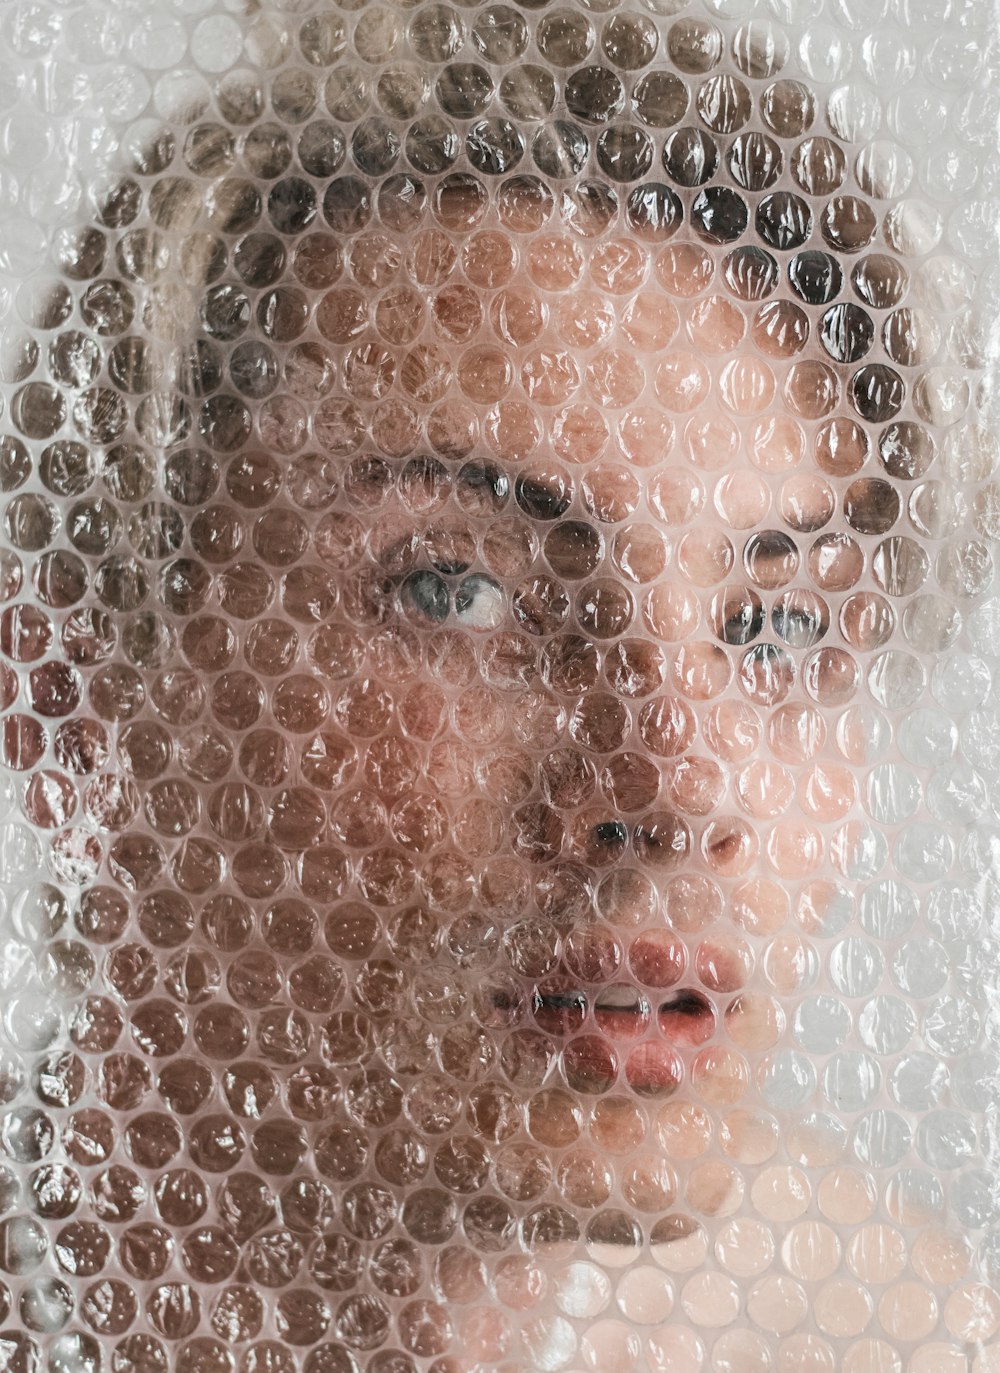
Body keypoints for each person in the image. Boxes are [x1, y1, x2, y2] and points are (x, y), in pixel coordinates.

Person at [1, 6, 998, 1371]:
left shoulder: (893, 1332)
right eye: (458, 590)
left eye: (769, 626)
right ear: (70, 689)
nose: (678, 787)